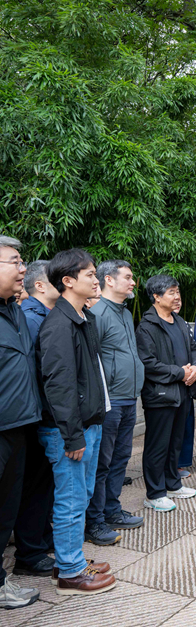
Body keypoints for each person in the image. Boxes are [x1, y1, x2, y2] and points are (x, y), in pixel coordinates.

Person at [37, 248, 117, 594]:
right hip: (70, 431)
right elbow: (59, 384)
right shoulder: (58, 325)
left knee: (81, 496)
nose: (96, 279)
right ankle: (70, 571)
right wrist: (72, 436)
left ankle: (71, 558)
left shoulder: (83, 319)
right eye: (89, 274)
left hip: (90, 423)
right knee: (70, 500)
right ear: (67, 281)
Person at [86, 261, 145, 546]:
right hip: (109, 402)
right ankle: (95, 521)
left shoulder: (122, 312)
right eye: (128, 277)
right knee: (102, 463)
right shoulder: (97, 314)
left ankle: (112, 510)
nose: (133, 282)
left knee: (120, 459)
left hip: (128, 397)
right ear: (109, 280)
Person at [135, 275, 196, 511]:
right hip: (160, 395)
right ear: (156, 296)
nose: (177, 297)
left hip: (182, 392)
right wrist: (179, 373)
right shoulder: (147, 326)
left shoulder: (180, 322)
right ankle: (154, 493)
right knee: (157, 445)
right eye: (172, 292)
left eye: (178, 292)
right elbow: (148, 363)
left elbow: (195, 350)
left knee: (175, 442)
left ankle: (173, 483)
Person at [0, 236, 42, 608]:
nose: (23, 269)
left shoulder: (14, 310)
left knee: (6, 508)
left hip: (18, 426)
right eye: (15, 261)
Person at [12, 261, 57, 582]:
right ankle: (29, 551)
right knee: (32, 485)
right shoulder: (30, 318)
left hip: (45, 414)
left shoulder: (43, 316)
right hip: (36, 416)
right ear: (40, 286)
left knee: (43, 484)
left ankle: (41, 538)